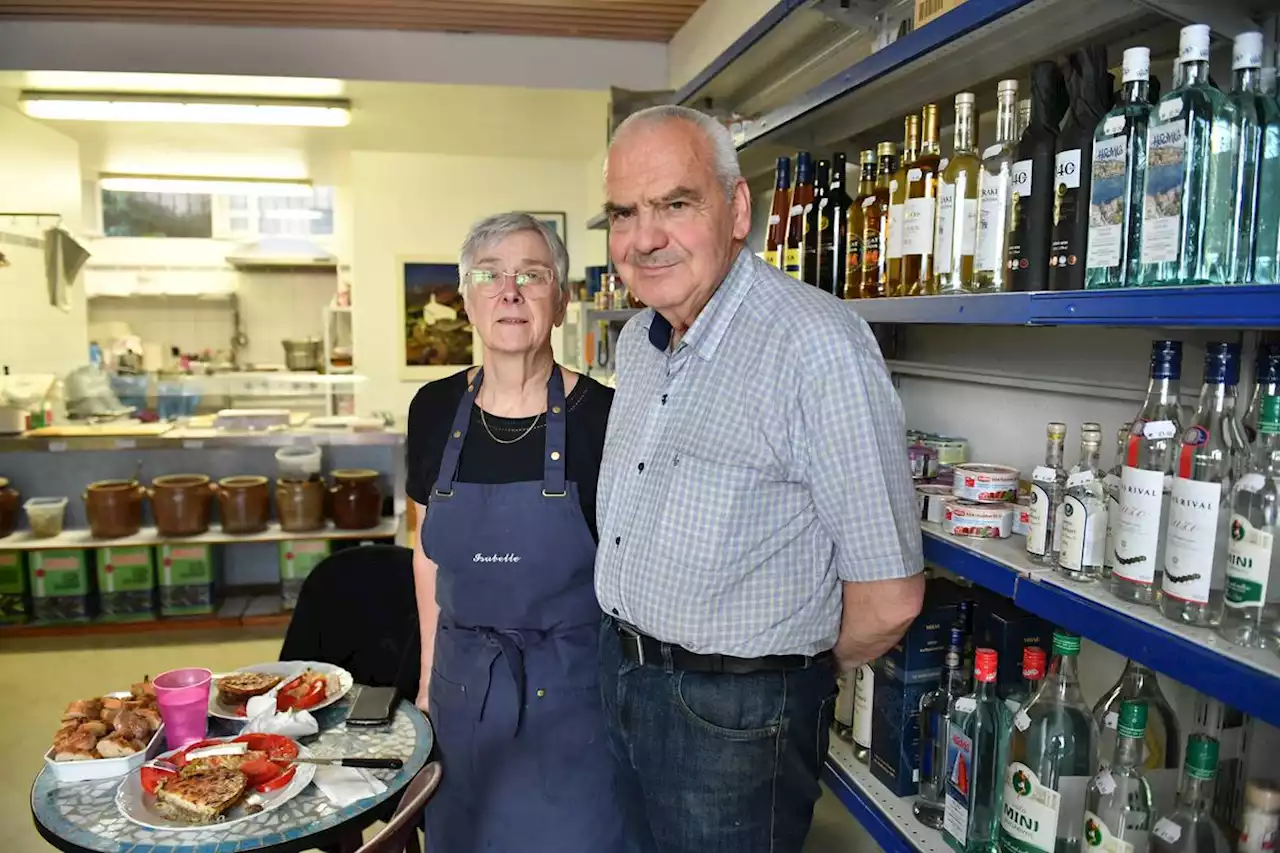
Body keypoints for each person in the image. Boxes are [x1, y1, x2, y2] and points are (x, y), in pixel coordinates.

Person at [595, 105, 926, 853]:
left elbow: (892, 596)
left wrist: (783, 670)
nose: (644, 238)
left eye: (675, 204)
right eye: (624, 214)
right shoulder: (639, 343)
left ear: (737, 209)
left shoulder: (817, 346)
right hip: (620, 676)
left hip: (736, 720)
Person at [405, 212, 624, 852]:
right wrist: (425, 675)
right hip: (460, 695)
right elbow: (424, 552)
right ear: (467, 300)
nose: (511, 291)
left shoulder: (605, 419)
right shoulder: (432, 409)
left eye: (533, 275)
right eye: (491, 275)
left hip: (574, 706)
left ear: (559, 303)